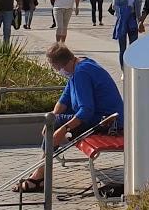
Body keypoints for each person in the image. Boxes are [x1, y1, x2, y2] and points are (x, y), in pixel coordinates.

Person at [12, 43, 123, 193]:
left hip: (107, 122)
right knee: (55, 123)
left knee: (58, 125)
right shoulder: (79, 66)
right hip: (100, 117)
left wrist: (63, 129)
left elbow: (86, 111)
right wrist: (51, 120)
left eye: (57, 68)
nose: (59, 71)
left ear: (64, 63)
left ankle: (39, 177)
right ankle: (40, 173)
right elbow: (64, 100)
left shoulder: (81, 73)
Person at [111, 0, 142, 70]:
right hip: (123, 20)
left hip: (132, 20)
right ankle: (123, 70)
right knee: (122, 48)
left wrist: (140, 20)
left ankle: (132, 67)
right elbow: (114, 6)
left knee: (134, 47)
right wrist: (124, 10)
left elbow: (138, 7)